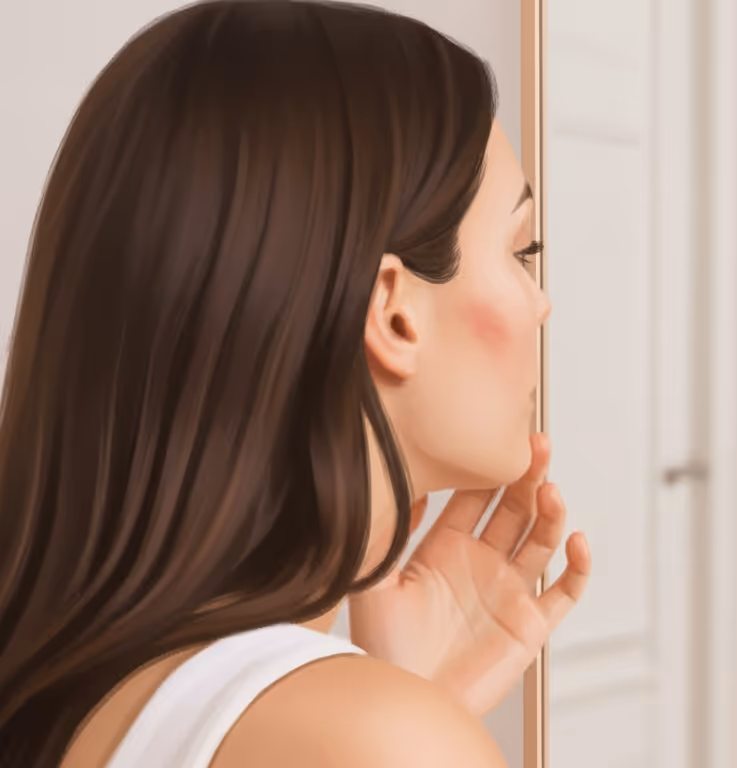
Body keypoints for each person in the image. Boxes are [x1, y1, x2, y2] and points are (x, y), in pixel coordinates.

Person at [0, 2, 590, 767]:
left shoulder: (77, 693)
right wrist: (403, 721)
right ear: (393, 313)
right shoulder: (376, 741)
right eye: (522, 249)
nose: (541, 302)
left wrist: (407, 696)